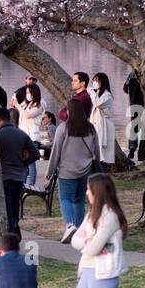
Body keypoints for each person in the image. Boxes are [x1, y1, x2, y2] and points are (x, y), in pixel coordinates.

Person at [47, 95, 99, 243]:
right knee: (79, 201)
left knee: (65, 199)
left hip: (67, 171)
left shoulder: (63, 128)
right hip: (86, 170)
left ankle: (70, 225)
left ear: (70, 112)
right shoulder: (91, 128)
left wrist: (50, 171)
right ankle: (79, 231)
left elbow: (56, 150)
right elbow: (96, 151)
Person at [0, 109, 40, 236]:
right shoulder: (21, 134)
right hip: (19, 177)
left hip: (4, 177)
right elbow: (35, 153)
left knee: (7, 209)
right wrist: (23, 162)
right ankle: (15, 226)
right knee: (15, 205)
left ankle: (11, 233)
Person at [89, 72, 116, 172]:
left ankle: (103, 179)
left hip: (104, 128)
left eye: (96, 80)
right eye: (94, 80)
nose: (94, 83)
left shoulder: (107, 96)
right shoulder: (97, 94)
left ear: (102, 82)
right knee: (96, 155)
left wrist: (91, 91)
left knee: (102, 157)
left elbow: (97, 103)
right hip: (97, 127)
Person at [123, 70, 145, 162]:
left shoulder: (131, 74)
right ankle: (141, 154)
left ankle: (132, 148)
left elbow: (125, 89)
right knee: (144, 130)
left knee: (134, 127)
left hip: (133, 105)